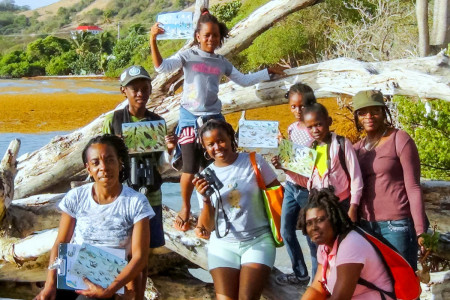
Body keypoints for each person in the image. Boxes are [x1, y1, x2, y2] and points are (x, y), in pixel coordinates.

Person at [150, 8, 285, 232]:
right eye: (206, 35)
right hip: (189, 118)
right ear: (197, 37)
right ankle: (184, 208)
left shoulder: (222, 62)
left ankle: (212, 212)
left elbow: (243, 80)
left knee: (216, 166)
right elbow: (161, 67)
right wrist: (153, 39)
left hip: (213, 119)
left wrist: (267, 72)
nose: (211, 39)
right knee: (190, 166)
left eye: (215, 35)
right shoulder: (187, 56)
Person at [35, 135, 154, 300]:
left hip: (111, 280)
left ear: (120, 163)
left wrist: (110, 290)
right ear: (88, 169)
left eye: (110, 160)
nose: (104, 167)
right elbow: (61, 243)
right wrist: (49, 286)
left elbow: (140, 258)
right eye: (95, 162)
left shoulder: (136, 202)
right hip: (72, 275)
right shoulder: (76, 197)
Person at [192, 119, 280, 299]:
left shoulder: (254, 161)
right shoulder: (204, 177)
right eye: (210, 144)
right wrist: (206, 200)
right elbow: (208, 227)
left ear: (231, 138)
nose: (217, 147)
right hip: (223, 244)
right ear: (205, 148)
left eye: (221, 140)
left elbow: (279, 195)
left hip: (258, 240)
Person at [103, 65, 175, 251]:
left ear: (151, 89)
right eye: (134, 89)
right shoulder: (113, 120)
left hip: (151, 196)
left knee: (146, 251)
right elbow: (102, 158)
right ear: (123, 91)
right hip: (121, 196)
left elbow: (162, 164)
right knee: (119, 249)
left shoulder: (158, 122)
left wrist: (170, 149)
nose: (140, 93)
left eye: (145, 88)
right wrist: (115, 146)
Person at [352, 90, 427, 270]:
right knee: (379, 286)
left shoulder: (400, 139)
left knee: (403, 286)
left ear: (384, 112)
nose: (369, 116)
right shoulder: (356, 149)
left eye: (375, 111)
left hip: (397, 226)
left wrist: (420, 231)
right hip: (366, 226)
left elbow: (414, 187)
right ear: (357, 117)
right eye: (363, 112)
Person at [300, 188, 394, 300]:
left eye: (320, 220)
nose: (314, 227)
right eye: (309, 223)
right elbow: (317, 288)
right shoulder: (324, 248)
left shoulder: (351, 244)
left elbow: (340, 298)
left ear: (333, 218)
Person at [270, 83, 317, 285]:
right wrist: (281, 157)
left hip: (308, 190)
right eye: (294, 106)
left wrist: (287, 164)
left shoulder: (315, 130)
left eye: (303, 106)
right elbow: (290, 159)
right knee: (286, 230)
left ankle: (317, 280)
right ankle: (300, 274)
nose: (298, 111)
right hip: (290, 186)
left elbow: (312, 163)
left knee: (312, 235)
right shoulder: (290, 128)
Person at [303, 102, 363, 222]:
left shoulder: (342, 144)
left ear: (329, 121)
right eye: (310, 127)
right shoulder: (310, 148)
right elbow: (306, 180)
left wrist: (353, 206)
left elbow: (356, 176)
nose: (315, 130)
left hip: (342, 205)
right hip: (319, 207)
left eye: (319, 124)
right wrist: (286, 170)